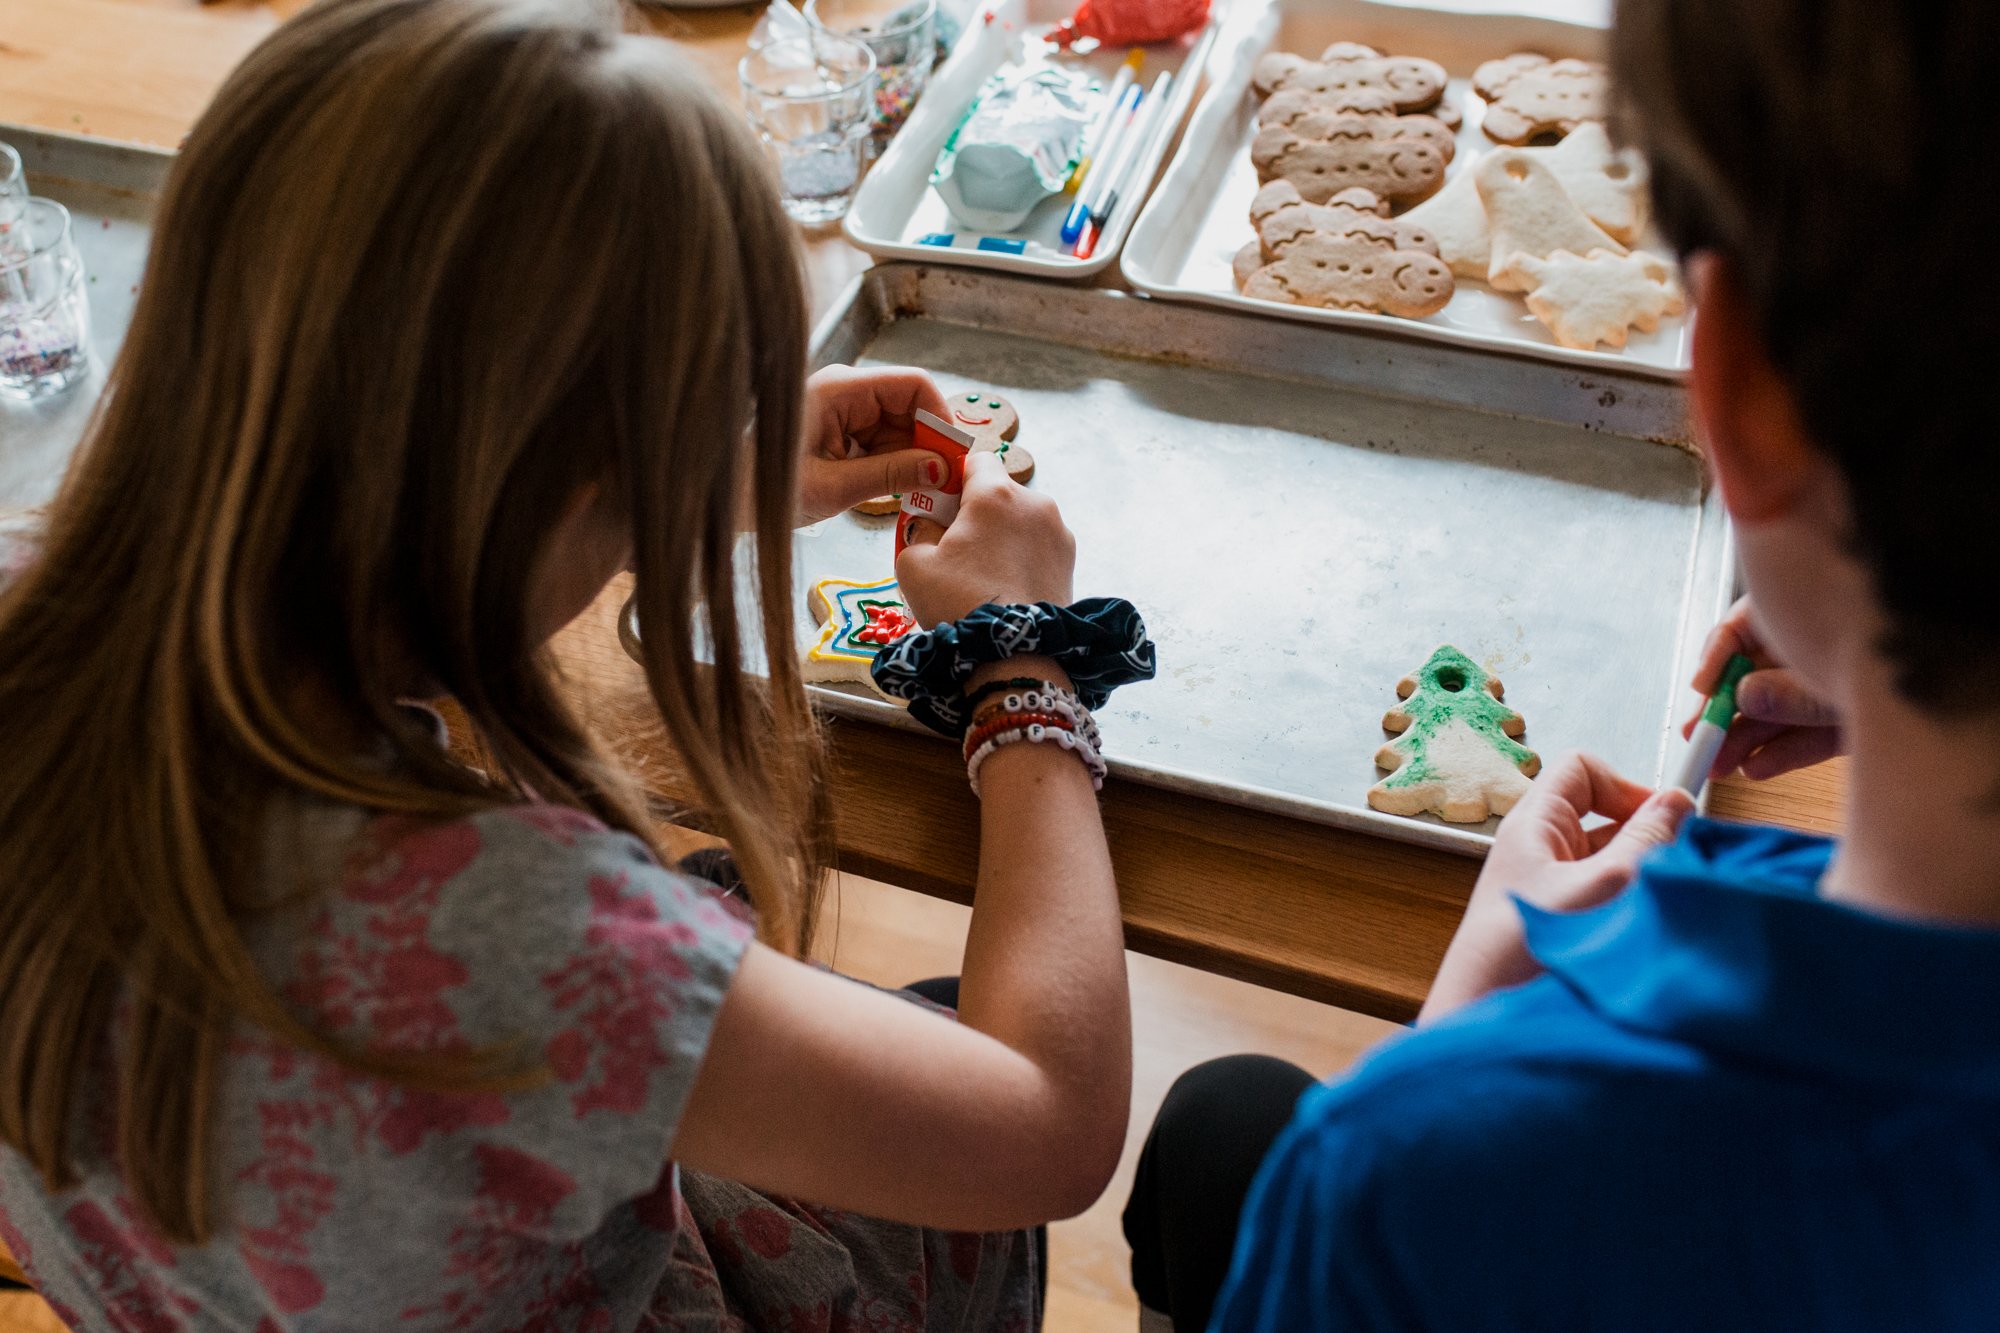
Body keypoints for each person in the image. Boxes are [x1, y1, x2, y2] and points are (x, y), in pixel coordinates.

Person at [0, 1, 1153, 1327]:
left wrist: (671, 474)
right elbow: (1045, 1121)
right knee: (958, 1025)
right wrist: (1023, 670)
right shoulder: (518, 940)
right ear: (574, 487)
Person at [1126, 0, 2000, 1328]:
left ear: (1734, 404)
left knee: (1220, 1125)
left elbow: (1437, 1185)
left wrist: (1461, 1029)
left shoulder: (1405, 1177)